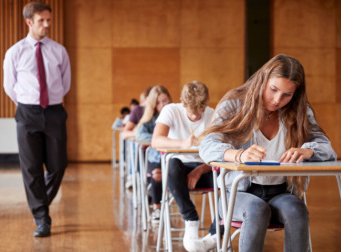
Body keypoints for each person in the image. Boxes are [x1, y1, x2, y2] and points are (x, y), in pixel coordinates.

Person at [199, 54, 337, 252]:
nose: (277, 100)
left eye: (287, 95)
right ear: (262, 79)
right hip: (238, 194)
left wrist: (307, 151)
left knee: (297, 210)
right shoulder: (235, 102)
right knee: (256, 210)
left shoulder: (300, 110)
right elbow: (206, 145)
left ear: (295, 94)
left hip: (281, 192)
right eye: (273, 90)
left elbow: (327, 148)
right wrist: (239, 155)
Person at [3, 1, 71, 237]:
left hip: (54, 111)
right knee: (31, 168)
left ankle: (39, 202)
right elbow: (9, 86)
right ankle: (42, 218)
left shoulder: (59, 51)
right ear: (29, 22)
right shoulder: (15, 52)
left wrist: (50, 103)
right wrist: (27, 103)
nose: (47, 24)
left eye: (49, 20)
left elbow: (65, 83)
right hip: (27, 112)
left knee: (59, 165)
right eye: (42, 20)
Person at [151, 81, 218, 251]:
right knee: (172, 164)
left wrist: (199, 170)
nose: (196, 116)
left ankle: (216, 233)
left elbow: (220, 153)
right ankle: (191, 218)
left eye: (200, 110)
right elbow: (156, 140)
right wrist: (183, 143)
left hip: (205, 168)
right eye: (192, 111)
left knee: (230, 177)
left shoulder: (212, 114)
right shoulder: (171, 110)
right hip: (178, 171)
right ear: (184, 103)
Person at [135, 85, 172, 223]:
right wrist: (160, 139)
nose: (162, 105)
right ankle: (157, 208)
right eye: (158, 102)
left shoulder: (175, 113)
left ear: (169, 99)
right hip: (156, 158)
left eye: (164, 100)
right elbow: (139, 135)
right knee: (157, 174)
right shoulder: (150, 118)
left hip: (174, 156)